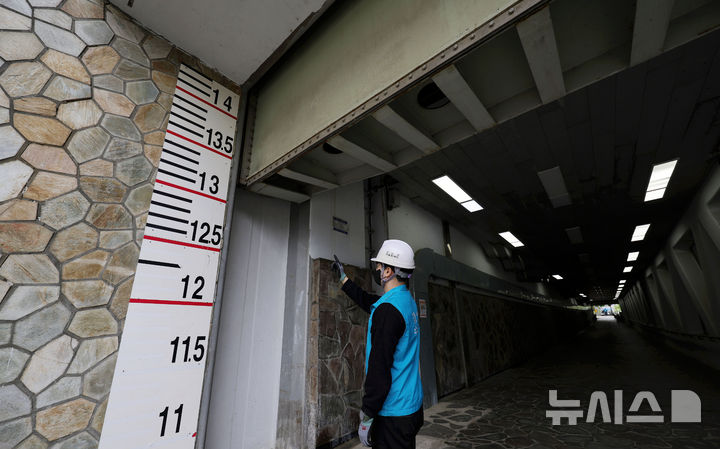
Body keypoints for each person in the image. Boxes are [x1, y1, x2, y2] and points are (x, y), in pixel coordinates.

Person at [331, 240, 424, 448]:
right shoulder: (406, 301)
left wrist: (368, 413)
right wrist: (344, 279)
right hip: (411, 406)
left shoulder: (388, 311)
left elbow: (379, 369)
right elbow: (370, 301)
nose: (377, 269)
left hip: (393, 413)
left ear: (388, 271)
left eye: (379, 266)